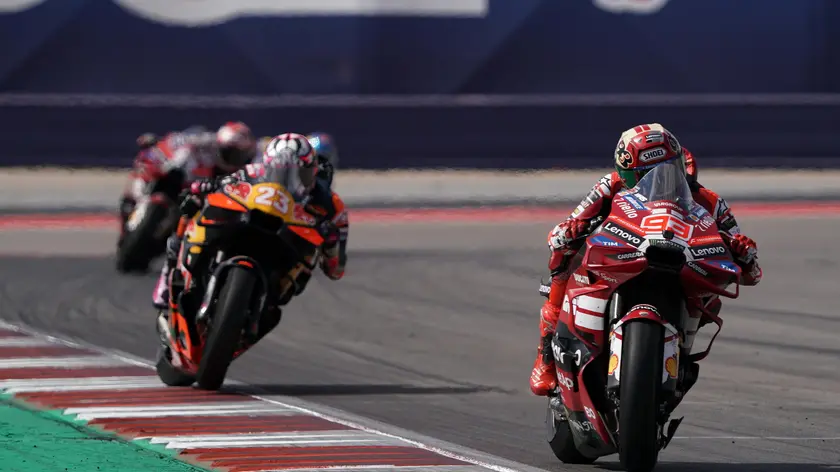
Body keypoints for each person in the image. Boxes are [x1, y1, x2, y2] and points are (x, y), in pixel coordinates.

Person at [530, 123, 762, 396]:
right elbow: (560, 233)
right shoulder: (609, 186)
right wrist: (568, 232)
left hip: (681, 266)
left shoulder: (710, 201)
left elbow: (750, 272)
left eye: (666, 170)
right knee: (562, 259)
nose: (657, 181)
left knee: (714, 298)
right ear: (626, 175)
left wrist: (744, 254)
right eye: (644, 175)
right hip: (622, 258)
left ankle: (678, 353)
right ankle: (545, 356)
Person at [153, 132, 348, 335]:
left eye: (301, 173)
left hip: (287, 245)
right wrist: (205, 188)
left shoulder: (332, 205)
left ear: (313, 171)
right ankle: (172, 272)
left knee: (301, 268)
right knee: (193, 208)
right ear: (267, 165)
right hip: (250, 222)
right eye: (279, 170)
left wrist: (331, 244)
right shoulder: (252, 172)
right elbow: (224, 183)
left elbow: (336, 269)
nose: (291, 179)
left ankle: (259, 308)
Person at [118, 123, 257, 245]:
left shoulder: (243, 170)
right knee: (146, 173)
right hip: (175, 176)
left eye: (240, 155)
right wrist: (164, 156)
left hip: (193, 198)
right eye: (230, 152)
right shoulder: (202, 143)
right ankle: (132, 207)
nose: (234, 158)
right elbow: (176, 142)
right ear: (219, 145)